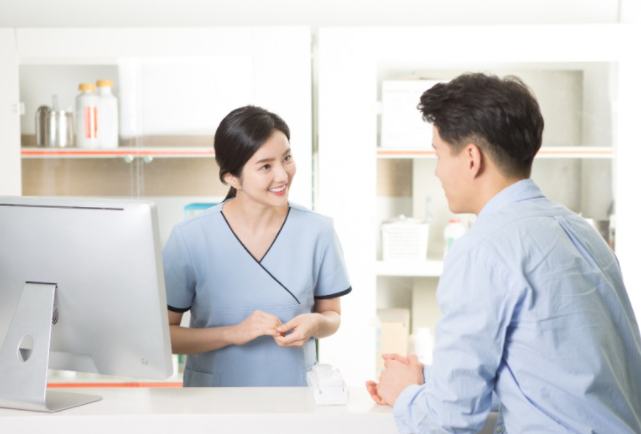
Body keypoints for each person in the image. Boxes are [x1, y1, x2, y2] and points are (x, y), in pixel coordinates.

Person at [366, 73, 641, 433]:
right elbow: (556, 381)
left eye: (438, 154)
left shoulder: (482, 250)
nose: (437, 171)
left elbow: (448, 422)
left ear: (471, 158)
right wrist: (432, 379)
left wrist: (404, 394)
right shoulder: (583, 232)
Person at [163, 105, 351, 387]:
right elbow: (163, 337)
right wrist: (232, 333)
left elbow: (332, 316)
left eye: (286, 158)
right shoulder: (190, 237)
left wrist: (317, 323)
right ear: (232, 177)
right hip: (213, 398)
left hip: (294, 394)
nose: (283, 175)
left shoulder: (318, 231)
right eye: (265, 166)